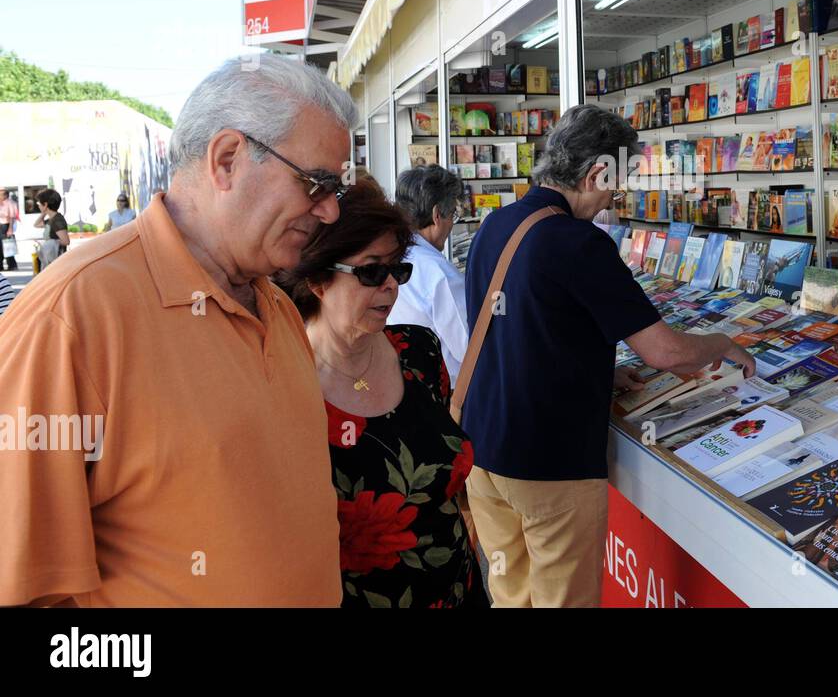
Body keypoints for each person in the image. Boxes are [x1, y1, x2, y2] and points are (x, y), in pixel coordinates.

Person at [0, 56, 355, 606]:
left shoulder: (277, 306)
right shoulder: (74, 314)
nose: (331, 212)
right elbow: (21, 584)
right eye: (316, 183)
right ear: (228, 159)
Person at [460, 104, 756, 608]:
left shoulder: (495, 225)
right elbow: (667, 352)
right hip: (549, 465)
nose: (613, 200)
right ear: (598, 171)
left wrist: (594, 371)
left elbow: (520, 331)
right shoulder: (579, 243)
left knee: (513, 596)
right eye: (617, 185)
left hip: (483, 453)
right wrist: (723, 344)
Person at [276, 178, 486, 609]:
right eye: (371, 271)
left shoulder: (420, 352)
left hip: (460, 591)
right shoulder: (284, 384)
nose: (391, 286)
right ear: (318, 279)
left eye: (398, 269)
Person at [388, 165, 469, 383]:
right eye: (452, 214)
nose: (452, 223)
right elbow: (470, 349)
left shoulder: (389, 254)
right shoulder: (440, 275)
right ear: (436, 215)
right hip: (442, 391)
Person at [34, 189, 69, 263]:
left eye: (39, 203)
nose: (38, 206)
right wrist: (44, 212)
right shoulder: (51, 219)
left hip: (57, 261)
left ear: (45, 204)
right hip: (51, 259)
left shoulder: (57, 220)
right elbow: (36, 224)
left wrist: (48, 242)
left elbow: (66, 241)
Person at [0, 189, 18, 271]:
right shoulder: (1, 203)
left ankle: (12, 265)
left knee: (8, 246)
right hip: (1, 225)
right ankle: (1, 265)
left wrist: (10, 229)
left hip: (6, 225)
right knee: (1, 246)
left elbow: (12, 216)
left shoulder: (10, 203)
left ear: (6, 195)